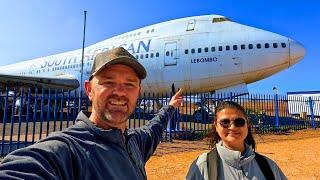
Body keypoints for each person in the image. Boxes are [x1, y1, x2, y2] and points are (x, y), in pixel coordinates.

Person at [0, 47, 183, 180]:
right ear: (89, 89)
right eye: (108, 82)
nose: (119, 91)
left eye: (129, 84)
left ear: (138, 91)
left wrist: (171, 106)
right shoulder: (69, 150)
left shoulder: (134, 143)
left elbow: (155, 128)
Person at [186, 101, 287, 180]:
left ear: (247, 125)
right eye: (225, 122)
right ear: (216, 126)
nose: (233, 127)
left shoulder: (268, 166)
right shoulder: (203, 166)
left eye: (239, 122)